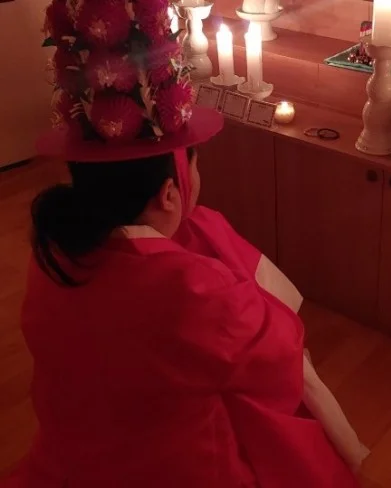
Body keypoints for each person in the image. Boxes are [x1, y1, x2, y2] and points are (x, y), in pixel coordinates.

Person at [5, 0, 367, 486]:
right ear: (170, 192)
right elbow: (279, 359)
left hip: (70, 461)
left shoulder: (51, 256)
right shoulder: (190, 289)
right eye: (192, 163)